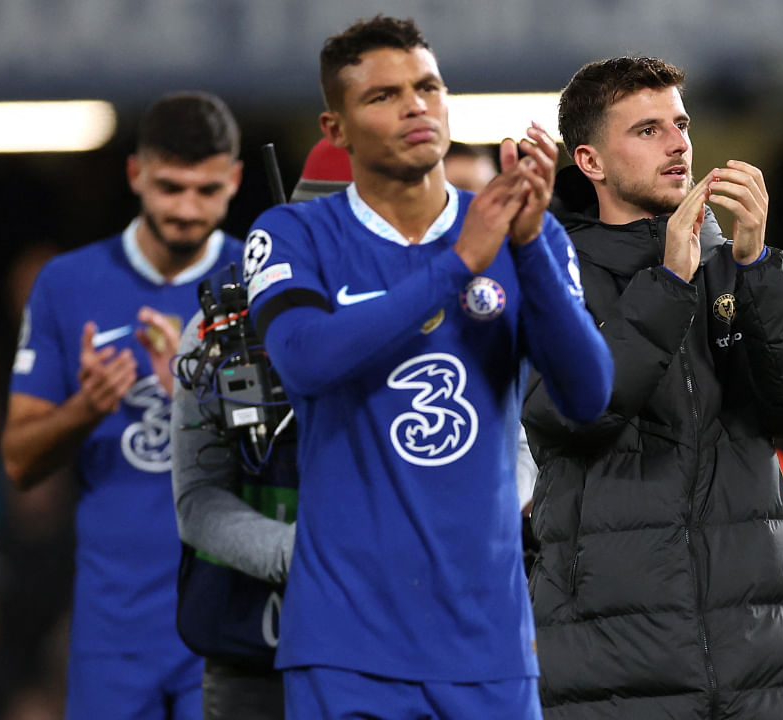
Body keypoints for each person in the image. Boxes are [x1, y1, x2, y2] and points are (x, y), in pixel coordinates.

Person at [242, 15, 613, 719]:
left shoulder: (522, 230)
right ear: (336, 129)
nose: (416, 105)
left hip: (489, 648)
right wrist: (455, 267)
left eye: (429, 86)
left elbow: (589, 394)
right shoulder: (293, 233)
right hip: (346, 647)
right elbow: (305, 359)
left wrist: (528, 248)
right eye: (383, 96)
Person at [524, 56, 783, 719]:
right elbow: (573, 413)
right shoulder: (545, 268)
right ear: (590, 160)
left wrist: (759, 263)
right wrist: (669, 287)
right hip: (616, 669)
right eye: (647, 130)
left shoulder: (734, 265)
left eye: (681, 123)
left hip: (766, 664)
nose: (678, 143)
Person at [2, 91, 246, 719]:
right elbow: (20, 460)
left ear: (235, 180)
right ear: (136, 174)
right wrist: (86, 406)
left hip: (229, 615)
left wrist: (194, 393)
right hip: (114, 629)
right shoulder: (70, 283)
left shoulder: (261, 278)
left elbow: (305, 447)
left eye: (206, 189)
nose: (188, 209)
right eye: (170, 187)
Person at [170, 139, 352, 720]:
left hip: (394, 644)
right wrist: (300, 553)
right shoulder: (220, 324)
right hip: (253, 647)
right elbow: (197, 500)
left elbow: (513, 455)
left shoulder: (435, 303)